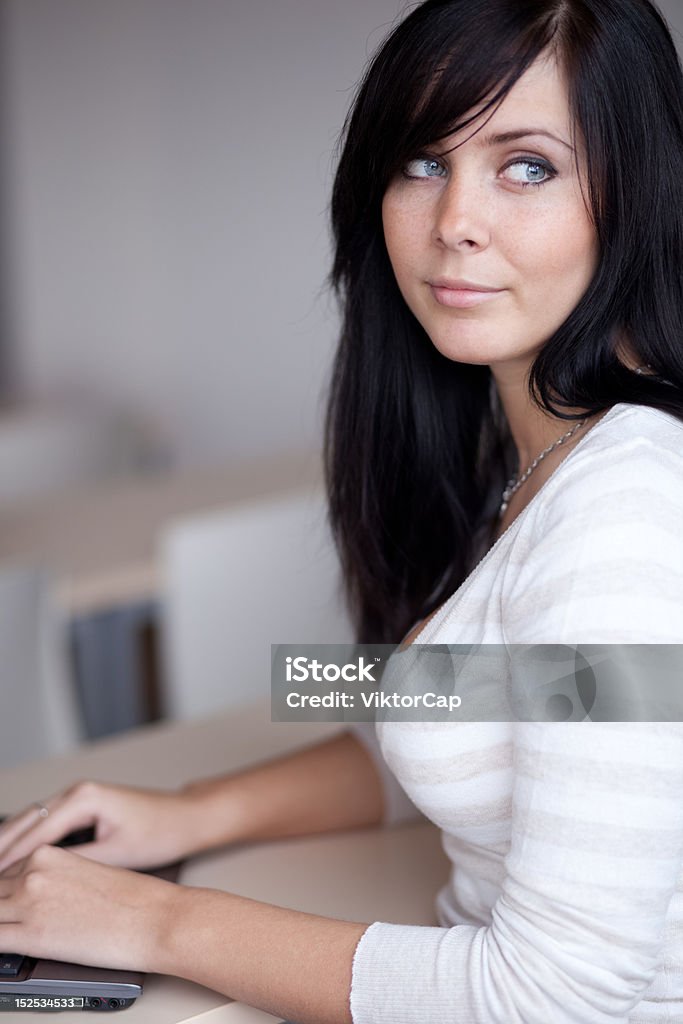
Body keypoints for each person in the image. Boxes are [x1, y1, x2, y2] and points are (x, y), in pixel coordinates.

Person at [1, 0, 683, 1021]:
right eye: (420, 159)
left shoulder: (624, 520)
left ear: (634, 190)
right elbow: (479, 721)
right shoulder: (534, 447)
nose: (453, 217)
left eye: (526, 164)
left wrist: (152, 921)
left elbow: (554, 999)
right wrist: (185, 813)